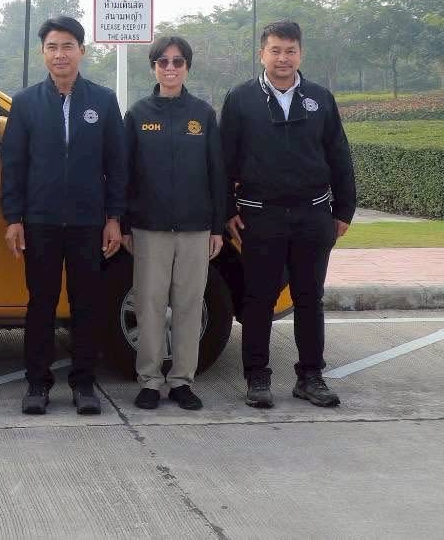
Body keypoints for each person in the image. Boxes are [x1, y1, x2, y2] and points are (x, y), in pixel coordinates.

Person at [222, 20, 355, 409]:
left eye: (290, 51)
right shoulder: (240, 99)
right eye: (275, 50)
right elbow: (223, 160)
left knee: (309, 298)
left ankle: (310, 377)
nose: (283, 58)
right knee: (258, 299)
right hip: (259, 217)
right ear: (262, 54)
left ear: (301, 54)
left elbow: (339, 155)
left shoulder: (320, 98)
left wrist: (344, 209)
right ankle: (257, 377)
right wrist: (225, 210)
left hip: (313, 216)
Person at [1, 16, 127, 415]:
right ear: (43, 53)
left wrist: (114, 217)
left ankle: (84, 384)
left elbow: (117, 164)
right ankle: (37, 384)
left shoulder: (103, 101)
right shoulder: (26, 103)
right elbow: (13, 165)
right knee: (41, 303)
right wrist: (14, 218)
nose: (60, 54)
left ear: (81, 51)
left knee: (86, 304)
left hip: (89, 222)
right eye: (52, 47)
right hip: (40, 221)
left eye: (67, 46)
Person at [122, 36, 225, 412]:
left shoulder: (203, 114)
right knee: (149, 305)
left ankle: (182, 380)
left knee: (189, 306)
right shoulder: (137, 114)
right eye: (162, 61)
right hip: (149, 229)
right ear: (153, 67)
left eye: (177, 62)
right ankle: (150, 380)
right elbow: (125, 174)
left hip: (196, 229)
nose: (170, 68)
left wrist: (217, 227)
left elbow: (217, 174)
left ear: (187, 67)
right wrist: (125, 224)